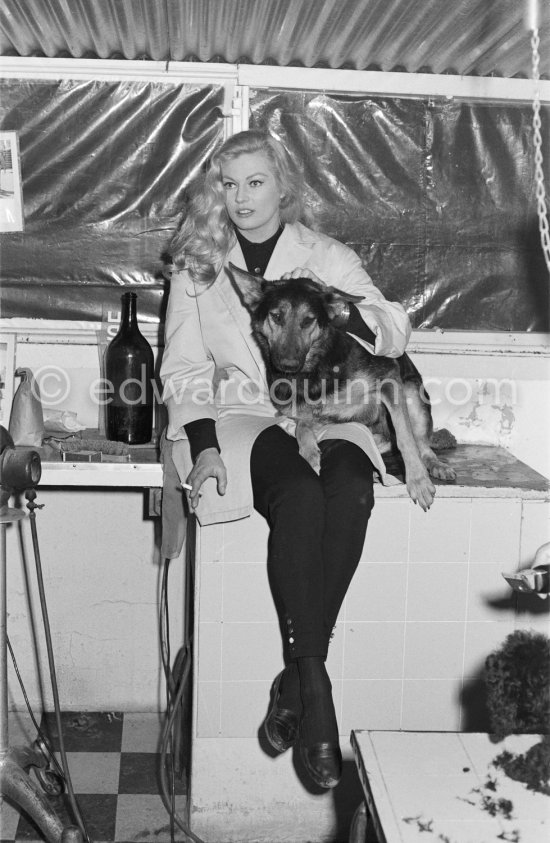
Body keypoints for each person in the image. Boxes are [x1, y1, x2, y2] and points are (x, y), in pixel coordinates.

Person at [160, 129, 411, 789]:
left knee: (353, 488)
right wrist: (205, 445)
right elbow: (183, 368)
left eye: (255, 181)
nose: (240, 197)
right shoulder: (200, 264)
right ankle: (317, 695)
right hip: (244, 415)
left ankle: (290, 682)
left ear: (282, 184)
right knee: (299, 495)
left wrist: (348, 315)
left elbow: (393, 324)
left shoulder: (323, 254)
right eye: (229, 183)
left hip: (324, 407)